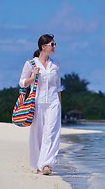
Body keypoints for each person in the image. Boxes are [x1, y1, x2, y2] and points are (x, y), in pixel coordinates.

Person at [18, 34, 62, 175]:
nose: (55, 46)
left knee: (51, 134)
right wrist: (33, 76)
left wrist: (60, 105)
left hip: (53, 102)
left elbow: (58, 87)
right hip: (37, 102)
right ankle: (39, 164)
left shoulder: (55, 65)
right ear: (44, 47)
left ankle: (46, 165)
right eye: (52, 44)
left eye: (55, 44)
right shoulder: (30, 63)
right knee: (38, 134)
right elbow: (22, 83)